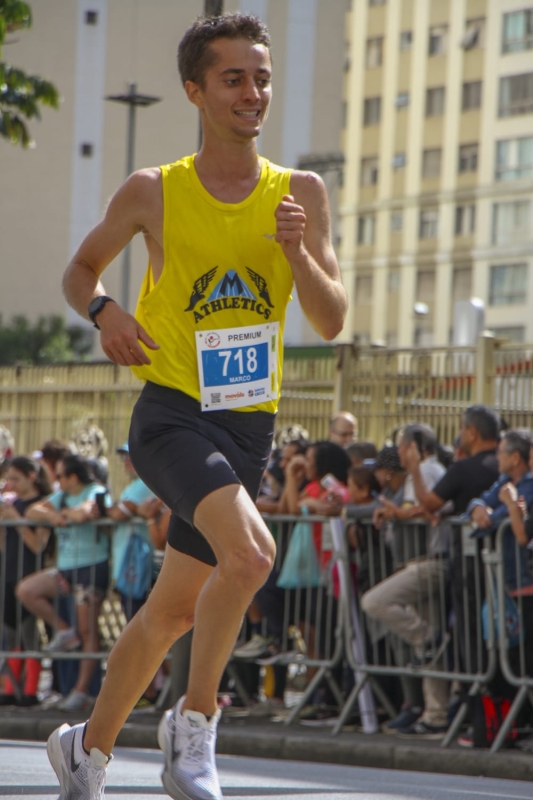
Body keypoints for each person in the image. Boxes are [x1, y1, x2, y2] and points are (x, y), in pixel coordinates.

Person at [45, 12, 347, 800]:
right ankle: (195, 726)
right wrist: (106, 313)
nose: (254, 93)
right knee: (250, 557)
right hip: (173, 412)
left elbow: (331, 317)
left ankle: (87, 748)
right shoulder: (155, 189)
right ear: (194, 90)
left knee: (174, 611)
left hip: (248, 426)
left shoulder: (301, 193)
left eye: (263, 77)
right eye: (234, 78)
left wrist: (297, 251)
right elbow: (81, 270)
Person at [17, 454, 111, 712]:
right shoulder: (62, 496)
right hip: (65, 569)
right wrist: (53, 516)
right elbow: (33, 510)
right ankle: (62, 629)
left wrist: (61, 514)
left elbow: (85, 513)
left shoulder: (96, 490)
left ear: (73, 477)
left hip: (90, 567)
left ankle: (81, 691)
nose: (55, 482)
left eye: (59, 476)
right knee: (27, 590)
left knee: (87, 630)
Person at [0, 456, 53, 706]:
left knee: (29, 633)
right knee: (11, 634)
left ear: (31, 477)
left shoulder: (40, 505)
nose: (11, 483)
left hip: (29, 575)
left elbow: (38, 546)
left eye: (16, 478)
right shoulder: (13, 504)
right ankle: (11, 687)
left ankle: (31, 690)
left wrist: (17, 522)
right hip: (8, 574)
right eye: (9, 478)